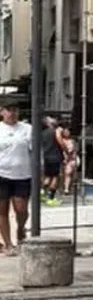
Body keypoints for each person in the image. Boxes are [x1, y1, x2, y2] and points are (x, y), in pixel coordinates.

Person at [0, 104, 32, 255]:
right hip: (1, 174)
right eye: (8, 110)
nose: (12, 113)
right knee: (2, 210)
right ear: (2, 112)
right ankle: (8, 244)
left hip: (22, 175)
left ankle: (21, 229)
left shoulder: (27, 128)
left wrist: (40, 170)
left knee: (22, 210)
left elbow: (35, 150)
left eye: (15, 110)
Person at [40, 116, 62, 206]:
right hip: (55, 156)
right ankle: (51, 198)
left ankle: (42, 192)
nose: (55, 120)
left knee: (48, 176)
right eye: (51, 119)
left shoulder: (42, 133)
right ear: (48, 123)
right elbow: (60, 141)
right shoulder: (55, 131)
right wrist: (66, 150)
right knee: (55, 177)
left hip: (46, 156)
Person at [60, 125, 77, 198]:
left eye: (68, 131)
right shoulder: (61, 141)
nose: (67, 133)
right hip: (65, 159)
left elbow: (76, 149)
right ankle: (66, 188)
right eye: (65, 132)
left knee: (72, 174)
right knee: (67, 173)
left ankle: (69, 187)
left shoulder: (72, 141)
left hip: (73, 158)